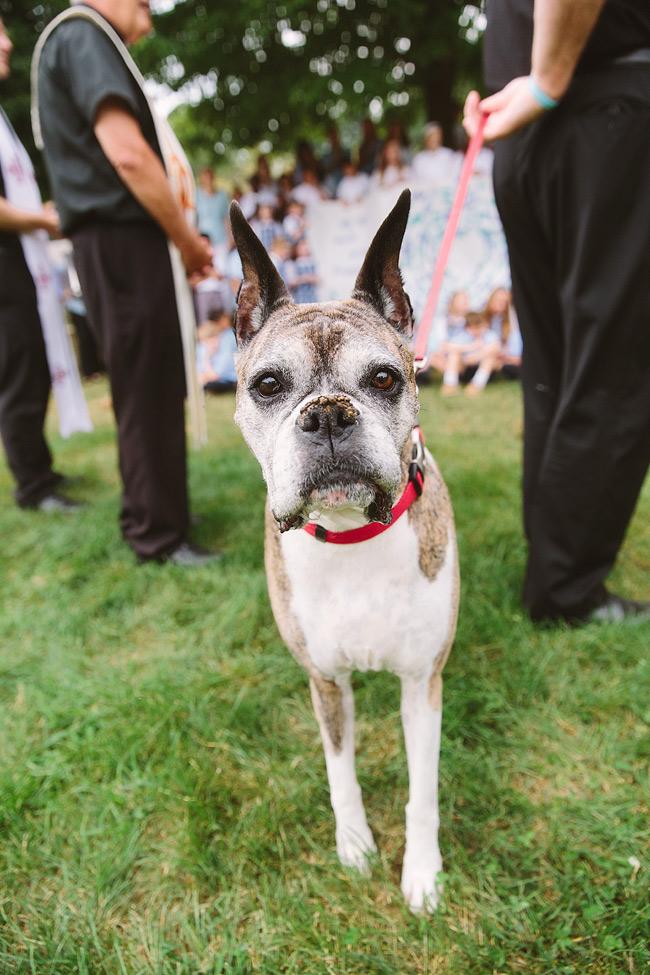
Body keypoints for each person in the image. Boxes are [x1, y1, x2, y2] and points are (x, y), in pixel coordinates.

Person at [464, 0, 650, 622]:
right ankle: (565, 588)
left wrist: (541, 82)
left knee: (555, 365)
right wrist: (550, 77)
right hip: (595, 111)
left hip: (527, 127)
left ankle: (554, 559)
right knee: (615, 364)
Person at [36, 0, 220, 566]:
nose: (149, 14)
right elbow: (130, 156)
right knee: (146, 382)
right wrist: (188, 241)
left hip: (118, 240)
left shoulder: (77, 39)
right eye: (143, 3)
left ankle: (154, 512)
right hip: (121, 239)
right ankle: (157, 534)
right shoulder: (84, 35)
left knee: (150, 380)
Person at [0, 17, 83, 513]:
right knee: (18, 371)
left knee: (30, 366)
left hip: (19, 264)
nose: (8, 41)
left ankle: (40, 468)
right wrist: (45, 219)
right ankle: (32, 485)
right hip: (6, 267)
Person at [440, 311, 501, 398]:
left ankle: (476, 385)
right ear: (467, 328)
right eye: (473, 328)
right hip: (464, 368)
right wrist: (471, 347)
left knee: (490, 357)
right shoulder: (463, 336)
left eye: (479, 327)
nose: (476, 331)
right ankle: (450, 384)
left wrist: (477, 356)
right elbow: (446, 347)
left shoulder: (489, 335)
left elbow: (496, 347)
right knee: (454, 354)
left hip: (482, 368)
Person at [196, 310, 237, 394]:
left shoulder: (228, 339)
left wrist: (206, 358)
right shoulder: (204, 349)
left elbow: (216, 375)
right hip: (215, 379)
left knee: (210, 385)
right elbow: (199, 371)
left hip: (227, 380)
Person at [196, 166, 229, 255]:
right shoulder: (196, 195)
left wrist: (230, 239)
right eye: (205, 177)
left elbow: (226, 218)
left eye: (209, 176)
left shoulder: (222, 196)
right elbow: (195, 218)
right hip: (203, 240)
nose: (207, 180)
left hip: (221, 240)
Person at [286, 238, 319, 304]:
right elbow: (290, 282)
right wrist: (305, 278)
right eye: (302, 248)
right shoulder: (291, 263)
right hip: (299, 299)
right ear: (296, 249)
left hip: (312, 299)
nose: (305, 249)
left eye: (306, 247)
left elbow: (318, 279)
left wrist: (313, 279)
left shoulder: (312, 262)